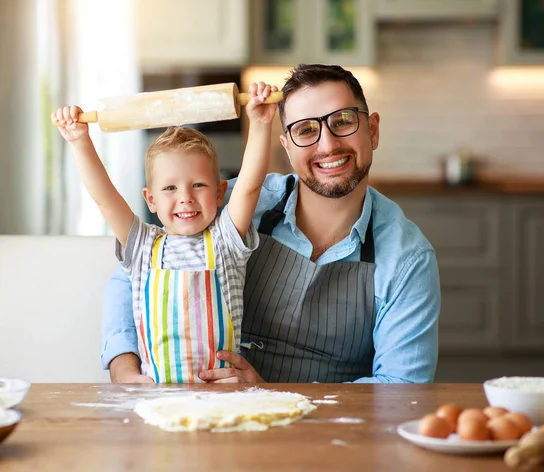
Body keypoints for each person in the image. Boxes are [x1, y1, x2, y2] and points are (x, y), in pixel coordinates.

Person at [101, 64, 441, 384]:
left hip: (327, 433)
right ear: (287, 148)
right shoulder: (234, 203)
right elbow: (136, 272)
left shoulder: (407, 257)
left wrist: (270, 394)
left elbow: (400, 389)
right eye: (306, 129)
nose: (328, 144)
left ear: (373, 130)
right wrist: (124, 367)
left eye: (343, 121)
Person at [53, 82, 279, 383]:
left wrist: (261, 124)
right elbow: (105, 199)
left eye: (198, 184)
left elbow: (250, 186)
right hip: (155, 399)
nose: (185, 197)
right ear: (151, 200)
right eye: (170, 188)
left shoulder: (227, 241)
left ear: (220, 192)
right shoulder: (143, 245)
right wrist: (80, 141)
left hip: (222, 395)